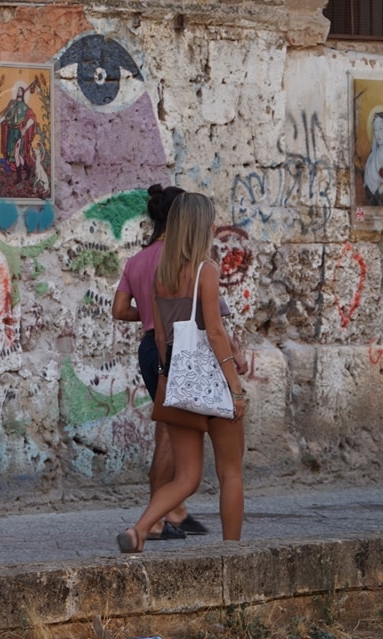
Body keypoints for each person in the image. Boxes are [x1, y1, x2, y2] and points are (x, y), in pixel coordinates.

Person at [116, 192, 247, 553]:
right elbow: (215, 333)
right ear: (200, 226)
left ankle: (139, 530)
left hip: (178, 379)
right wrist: (235, 387)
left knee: (186, 476)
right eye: (210, 220)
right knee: (231, 472)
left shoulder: (161, 276)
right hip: (212, 380)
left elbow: (161, 337)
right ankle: (232, 552)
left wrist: (167, 380)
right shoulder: (206, 271)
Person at [113, 184, 204, 541]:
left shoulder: (137, 260)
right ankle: (157, 516)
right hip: (177, 346)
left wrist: (149, 315)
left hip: (149, 347)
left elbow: (120, 310)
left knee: (168, 426)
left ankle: (171, 509)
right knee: (173, 430)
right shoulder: (182, 258)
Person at [364, 111, 383, 206]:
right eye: (375, 130)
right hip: (376, 197)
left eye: (380, 129)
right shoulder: (372, 157)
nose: (378, 134)